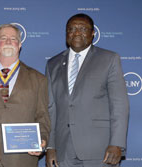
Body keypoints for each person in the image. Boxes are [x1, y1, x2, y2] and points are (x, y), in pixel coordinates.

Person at [45, 13, 129, 167]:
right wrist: (51, 146)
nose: (77, 33)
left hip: (100, 149)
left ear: (92, 33)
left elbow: (119, 105)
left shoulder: (109, 59)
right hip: (64, 150)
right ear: (66, 34)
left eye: (83, 29)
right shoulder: (53, 64)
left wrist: (117, 143)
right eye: (72, 29)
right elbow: (51, 108)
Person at [0, 24, 50, 167]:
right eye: (3, 38)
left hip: (22, 158)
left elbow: (43, 116)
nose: (8, 41)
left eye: (13, 38)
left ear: (20, 45)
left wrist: (43, 140)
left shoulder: (38, 79)